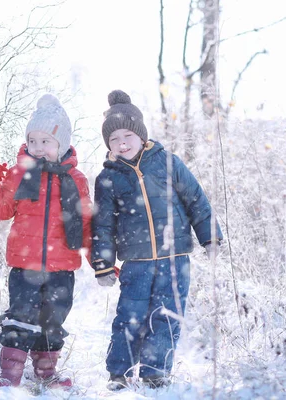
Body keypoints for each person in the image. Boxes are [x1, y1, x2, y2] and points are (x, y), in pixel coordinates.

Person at [91, 90, 223, 391]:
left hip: (175, 258)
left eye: (127, 135)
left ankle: (155, 372)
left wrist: (210, 236)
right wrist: (102, 264)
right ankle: (119, 373)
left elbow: (195, 198)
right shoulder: (108, 178)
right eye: (113, 139)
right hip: (136, 263)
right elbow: (103, 224)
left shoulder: (166, 162)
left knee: (167, 316)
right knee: (130, 317)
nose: (121, 143)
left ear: (141, 134)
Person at [0, 94, 92, 390]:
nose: (38, 148)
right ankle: (9, 375)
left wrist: (100, 261)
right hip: (24, 264)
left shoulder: (76, 180)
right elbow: (1, 211)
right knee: (21, 316)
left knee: (53, 319)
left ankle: (46, 373)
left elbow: (86, 222)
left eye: (46, 142)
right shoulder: (20, 174)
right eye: (34, 141)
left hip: (62, 265)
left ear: (61, 144)